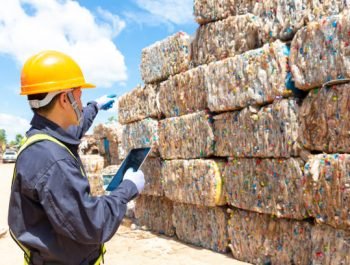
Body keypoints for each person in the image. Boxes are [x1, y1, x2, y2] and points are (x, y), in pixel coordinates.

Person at [8, 50, 145, 265]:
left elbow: (74, 130)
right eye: (80, 97)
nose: (81, 105)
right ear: (65, 98)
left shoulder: (41, 138)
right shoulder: (53, 161)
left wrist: (95, 107)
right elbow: (94, 224)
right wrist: (128, 187)